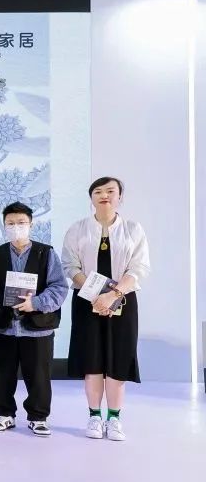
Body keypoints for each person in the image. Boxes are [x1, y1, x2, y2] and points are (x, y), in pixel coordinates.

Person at [62, 177, 150, 441]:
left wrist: (113, 295)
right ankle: (94, 416)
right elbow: (70, 266)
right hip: (86, 302)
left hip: (123, 302)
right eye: (98, 191)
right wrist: (95, 296)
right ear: (91, 198)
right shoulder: (77, 229)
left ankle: (114, 419)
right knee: (92, 359)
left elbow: (139, 268)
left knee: (118, 359)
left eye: (111, 191)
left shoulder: (133, 229)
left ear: (120, 196)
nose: (104, 195)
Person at [0, 202, 69, 437]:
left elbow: (59, 287)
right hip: (3, 327)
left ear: (31, 225)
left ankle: (38, 417)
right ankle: (4, 414)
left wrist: (35, 303)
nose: (16, 227)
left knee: (39, 375)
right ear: (4, 226)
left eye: (21, 223)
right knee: (1, 373)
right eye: (10, 223)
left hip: (38, 328)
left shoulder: (46, 253)